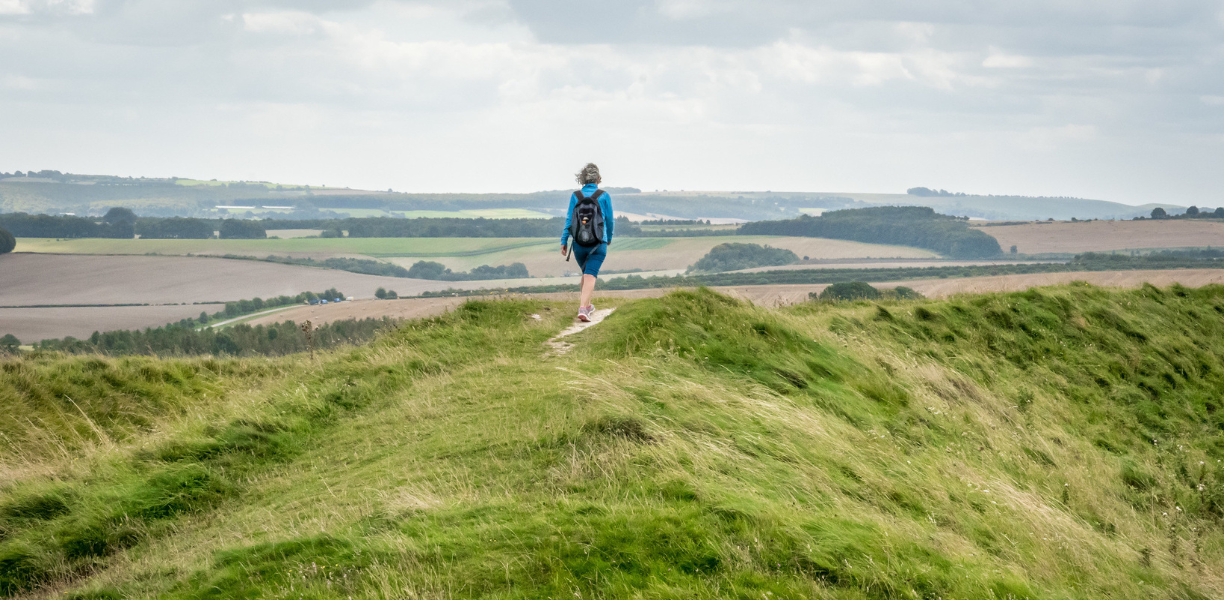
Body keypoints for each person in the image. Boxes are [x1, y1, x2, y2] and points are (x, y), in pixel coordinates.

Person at [561, 163, 614, 322]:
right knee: (590, 274)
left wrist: (564, 240)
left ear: (583, 179)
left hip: (578, 244)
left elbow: (569, 220)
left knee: (586, 273)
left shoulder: (575, 196)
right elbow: (610, 220)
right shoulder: (603, 195)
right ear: (598, 178)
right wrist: (608, 238)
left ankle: (588, 305)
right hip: (598, 243)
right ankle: (583, 308)